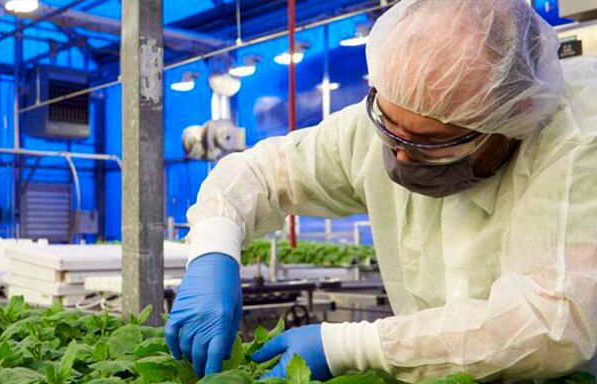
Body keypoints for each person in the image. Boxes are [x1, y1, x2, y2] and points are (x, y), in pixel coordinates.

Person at [165, 0, 597, 382]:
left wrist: (354, 348)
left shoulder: (577, 141)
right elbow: (255, 174)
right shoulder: (387, 118)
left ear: (510, 117)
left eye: (429, 142)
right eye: (390, 129)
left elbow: (551, 324)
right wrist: (214, 251)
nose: (401, 157)